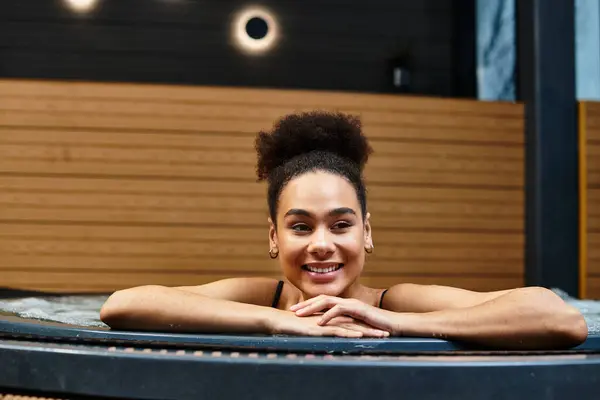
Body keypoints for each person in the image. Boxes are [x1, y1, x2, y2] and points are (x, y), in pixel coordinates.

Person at [100, 111, 588, 349]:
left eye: (340, 224)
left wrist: (395, 325)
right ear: (274, 237)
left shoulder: (392, 303)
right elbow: (122, 305)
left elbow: (560, 318)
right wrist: (277, 321)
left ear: (367, 232)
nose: (321, 244)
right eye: (299, 226)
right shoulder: (261, 299)